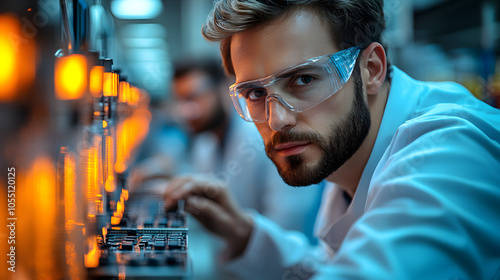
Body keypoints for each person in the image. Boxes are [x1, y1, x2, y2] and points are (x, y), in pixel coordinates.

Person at [163, 1, 500, 279]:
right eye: (254, 93)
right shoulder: (349, 155)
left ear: (371, 69)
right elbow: (334, 267)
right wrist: (244, 233)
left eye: (303, 79)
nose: (277, 119)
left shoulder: (448, 153)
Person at [133, 56, 321, 279]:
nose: (187, 111)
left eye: (194, 97)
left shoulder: (266, 140)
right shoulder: (206, 143)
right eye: (181, 101)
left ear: (224, 88)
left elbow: (288, 229)